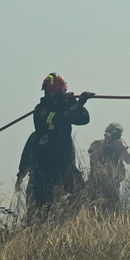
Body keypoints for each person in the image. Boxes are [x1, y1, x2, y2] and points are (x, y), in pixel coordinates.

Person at [16, 73, 93, 217]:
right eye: (57, 92)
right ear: (48, 92)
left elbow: (83, 119)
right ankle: (37, 229)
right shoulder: (42, 111)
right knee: (43, 202)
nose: (60, 94)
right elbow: (60, 120)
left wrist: (72, 103)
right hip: (46, 164)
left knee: (80, 192)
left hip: (64, 162)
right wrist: (78, 104)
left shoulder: (65, 107)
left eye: (62, 92)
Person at [88, 122, 130, 204]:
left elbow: (129, 161)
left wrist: (122, 147)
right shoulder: (97, 143)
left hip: (114, 183)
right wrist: (105, 143)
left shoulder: (120, 146)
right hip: (97, 183)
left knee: (113, 208)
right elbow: (92, 158)